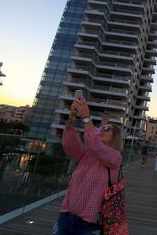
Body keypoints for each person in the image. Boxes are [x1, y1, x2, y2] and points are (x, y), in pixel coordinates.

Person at [52, 97, 123, 235]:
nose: (101, 130)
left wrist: (86, 117)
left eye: (107, 129)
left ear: (115, 137)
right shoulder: (88, 154)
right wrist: (72, 117)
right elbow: (69, 145)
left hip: (89, 224)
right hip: (67, 215)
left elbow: (95, 144)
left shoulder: (115, 157)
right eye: (101, 128)